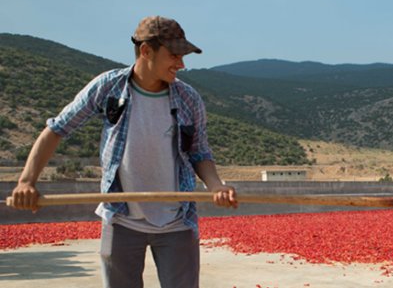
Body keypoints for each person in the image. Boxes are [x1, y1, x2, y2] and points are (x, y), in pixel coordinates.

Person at [8, 15, 238, 288]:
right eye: (174, 55)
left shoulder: (188, 98)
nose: (181, 64)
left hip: (177, 221)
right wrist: (26, 182)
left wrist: (216, 185)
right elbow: (57, 129)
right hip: (121, 218)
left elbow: (199, 152)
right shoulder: (108, 87)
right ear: (145, 51)